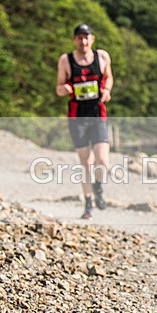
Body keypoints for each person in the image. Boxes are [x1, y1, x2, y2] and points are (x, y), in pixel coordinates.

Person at [56, 23, 114, 219]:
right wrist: (64, 89)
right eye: (80, 37)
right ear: (75, 40)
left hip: (97, 114)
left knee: (102, 161)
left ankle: (98, 186)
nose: (83, 41)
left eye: (86, 37)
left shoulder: (102, 57)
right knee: (86, 163)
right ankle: (88, 204)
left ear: (92, 39)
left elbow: (109, 77)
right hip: (77, 117)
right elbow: (58, 87)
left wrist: (107, 90)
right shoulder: (66, 60)